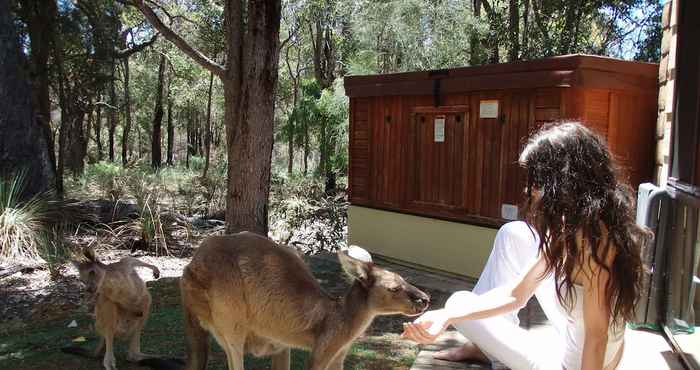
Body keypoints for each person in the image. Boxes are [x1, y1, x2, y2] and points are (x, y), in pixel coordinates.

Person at [402, 122, 650, 370]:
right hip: (566, 344)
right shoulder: (574, 224)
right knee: (503, 247)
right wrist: (446, 316)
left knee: (460, 302)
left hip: (574, 365)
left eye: (538, 180)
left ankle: (491, 351)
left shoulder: (594, 243)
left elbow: (597, 337)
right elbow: (515, 295)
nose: (530, 189)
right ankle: (485, 348)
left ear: (564, 181)